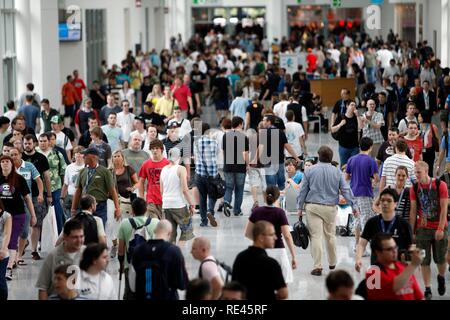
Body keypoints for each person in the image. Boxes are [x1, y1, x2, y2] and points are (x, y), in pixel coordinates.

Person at [297, 146, 357, 276]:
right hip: (330, 208)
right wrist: (353, 206)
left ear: (319, 156)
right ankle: (332, 262)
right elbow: (346, 190)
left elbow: (303, 191)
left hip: (313, 207)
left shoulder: (309, 171)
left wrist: (299, 208)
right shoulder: (337, 172)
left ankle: (318, 266)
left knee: (315, 236)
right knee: (330, 235)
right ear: (331, 158)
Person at [409, 161, 448, 299]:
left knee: (440, 259)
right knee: (424, 260)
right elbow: (413, 211)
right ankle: (427, 288)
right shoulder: (414, 188)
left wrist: (440, 228)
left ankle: (441, 277)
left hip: (439, 226)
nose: (416, 175)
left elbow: (444, 208)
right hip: (422, 229)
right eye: (415, 172)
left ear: (426, 171)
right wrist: (412, 232)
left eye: (418, 172)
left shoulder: (440, 185)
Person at [245, 186, 297, 283]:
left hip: (260, 253)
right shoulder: (280, 213)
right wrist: (294, 257)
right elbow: (287, 235)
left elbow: (247, 233)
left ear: (265, 196)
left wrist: (259, 241)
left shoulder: (256, 211)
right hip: (278, 251)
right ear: (278, 198)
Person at [129, 220, 189, 300]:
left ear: (154, 231)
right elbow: (182, 284)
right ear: (169, 233)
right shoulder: (174, 251)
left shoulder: (138, 250)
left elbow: (132, 284)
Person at [355, 188, 413, 270]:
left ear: (395, 204)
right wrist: (358, 259)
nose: (385, 203)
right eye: (382, 200)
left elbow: (411, 247)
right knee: (370, 282)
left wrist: (412, 260)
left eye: (389, 201)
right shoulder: (372, 222)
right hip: (376, 267)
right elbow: (361, 244)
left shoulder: (404, 224)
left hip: (397, 268)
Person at [232, 220, 288, 300]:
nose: (275, 238)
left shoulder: (240, 257)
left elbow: (234, 287)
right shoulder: (271, 264)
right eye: (271, 234)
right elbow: (283, 294)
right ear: (261, 237)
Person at [117, 198, 159, 299]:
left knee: (130, 293)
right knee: (148, 292)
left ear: (132, 210)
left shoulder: (125, 223)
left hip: (130, 266)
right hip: (150, 267)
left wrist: (121, 264)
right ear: (146, 209)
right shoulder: (155, 222)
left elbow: (121, 250)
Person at [10, 147, 44, 266]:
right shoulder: (8, 168)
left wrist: (40, 194)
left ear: (20, 155)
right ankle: (13, 258)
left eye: (15, 154)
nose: (13, 157)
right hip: (10, 203)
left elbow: (39, 180)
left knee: (24, 231)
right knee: (11, 231)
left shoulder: (29, 166)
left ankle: (19, 255)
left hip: (25, 201)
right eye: (11, 155)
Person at [364, 233, 424, 300]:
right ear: (378, 252)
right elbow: (394, 287)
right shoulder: (373, 272)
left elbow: (419, 296)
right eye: (389, 249)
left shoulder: (402, 267)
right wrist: (413, 265)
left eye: (395, 247)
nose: (395, 251)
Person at [71, 148, 120, 228]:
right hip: (84, 206)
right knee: (84, 230)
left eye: (86, 155)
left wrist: (117, 208)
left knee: (99, 229)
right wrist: (73, 209)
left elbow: (112, 190)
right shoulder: (82, 171)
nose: (83, 157)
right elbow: (78, 191)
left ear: (93, 157)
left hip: (100, 206)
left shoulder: (105, 171)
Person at [36, 219, 85, 300]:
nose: (79, 241)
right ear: (65, 237)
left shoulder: (88, 254)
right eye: (75, 237)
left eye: (81, 236)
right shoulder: (53, 256)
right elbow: (43, 287)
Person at [345, 137, 380, 251]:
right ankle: (363, 247)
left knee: (357, 219)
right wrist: (373, 182)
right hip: (365, 193)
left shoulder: (351, 160)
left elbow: (346, 177)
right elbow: (376, 178)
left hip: (353, 193)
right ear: (370, 147)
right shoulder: (371, 161)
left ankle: (357, 245)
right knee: (366, 220)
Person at [160, 148, 195, 243]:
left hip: (166, 205)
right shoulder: (181, 169)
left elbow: (161, 191)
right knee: (187, 231)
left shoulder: (163, 170)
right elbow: (185, 190)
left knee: (171, 233)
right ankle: (177, 254)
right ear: (179, 157)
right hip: (178, 205)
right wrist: (192, 204)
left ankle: (170, 253)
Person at [259, 114, 301, 190]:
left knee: (271, 185)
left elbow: (261, 147)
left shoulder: (264, 133)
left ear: (269, 122)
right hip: (279, 161)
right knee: (281, 184)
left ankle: (273, 200)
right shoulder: (280, 132)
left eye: (264, 120)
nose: (263, 122)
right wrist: (296, 158)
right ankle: (282, 200)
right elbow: (288, 147)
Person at [37, 133, 67, 233]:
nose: (43, 143)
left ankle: (60, 234)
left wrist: (63, 188)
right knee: (40, 214)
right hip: (38, 189)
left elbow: (63, 172)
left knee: (57, 211)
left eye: (45, 141)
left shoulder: (57, 154)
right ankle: (41, 239)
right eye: (40, 141)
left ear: (49, 142)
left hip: (55, 187)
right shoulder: (35, 153)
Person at [222, 117, 249, 217]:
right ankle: (237, 210)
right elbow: (245, 153)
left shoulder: (225, 136)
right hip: (240, 167)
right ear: (241, 124)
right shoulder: (243, 137)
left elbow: (224, 151)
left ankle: (226, 201)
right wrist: (248, 164)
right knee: (239, 189)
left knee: (228, 187)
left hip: (228, 166)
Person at [193, 123, 219, 227]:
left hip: (199, 174)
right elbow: (216, 155)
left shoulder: (196, 143)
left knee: (202, 197)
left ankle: (204, 221)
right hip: (212, 174)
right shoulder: (214, 142)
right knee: (213, 194)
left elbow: (195, 157)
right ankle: (210, 211)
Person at [137, 139, 170, 220]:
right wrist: (141, 198)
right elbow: (141, 182)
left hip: (165, 200)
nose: (155, 150)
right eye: (152, 148)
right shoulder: (146, 164)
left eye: (157, 148)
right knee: (153, 225)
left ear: (161, 149)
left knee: (163, 227)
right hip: (151, 199)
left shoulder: (168, 163)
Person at [331, 101, 363, 167]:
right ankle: (343, 177)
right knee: (344, 166)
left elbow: (361, 127)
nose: (353, 107)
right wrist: (340, 124)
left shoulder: (356, 117)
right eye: (352, 105)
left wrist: (358, 116)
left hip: (355, 146)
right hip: (343, 146)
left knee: (354, 165)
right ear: (347, 106)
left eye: (355, 105)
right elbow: (333, 130)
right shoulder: (341, 117)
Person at [61, 146, 85, 218]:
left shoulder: (86, 167)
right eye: (76, 153)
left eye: (81, 153)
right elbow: (66, 184)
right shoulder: (69, 167)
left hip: (83, 197)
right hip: (70, 197)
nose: (78, 155)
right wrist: (62, 197)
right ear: (74, 155)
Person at [418, 111, 439, 177]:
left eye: (420, 116)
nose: (418, 118)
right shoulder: (418, 127)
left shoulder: (433, 127)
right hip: (420, 150)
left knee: (429, 168)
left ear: (424, 117)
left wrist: (438, 152)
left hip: (430, 150)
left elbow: (437, 139)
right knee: (421, 168)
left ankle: (429, 183)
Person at [0, 203, 12, 300]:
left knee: (0, 280)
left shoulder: (6, 216)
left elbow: (7, 234)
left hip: (2, 253)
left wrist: (3, 249)